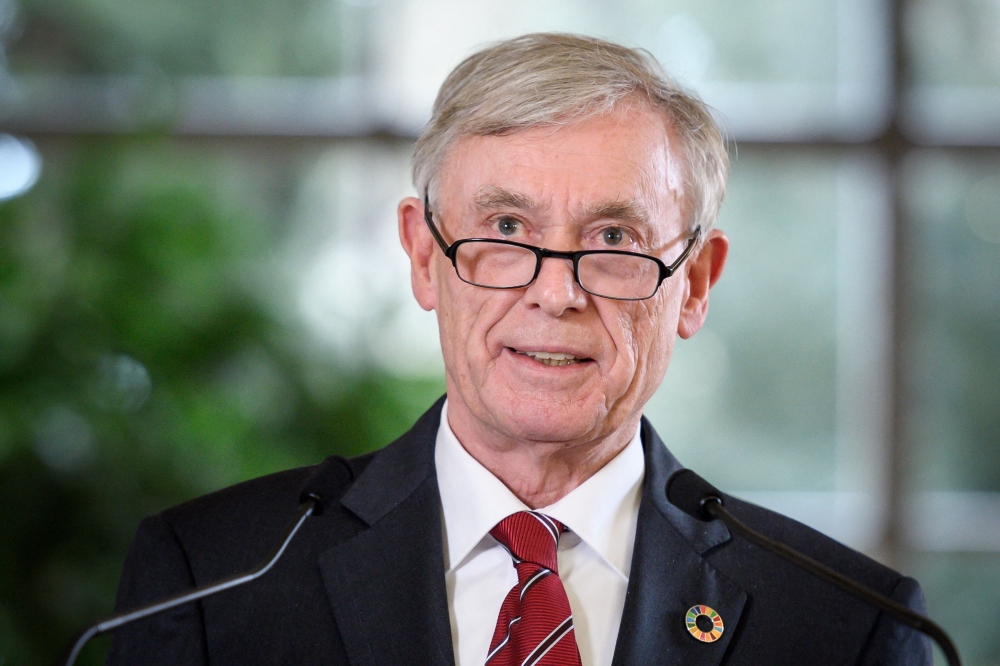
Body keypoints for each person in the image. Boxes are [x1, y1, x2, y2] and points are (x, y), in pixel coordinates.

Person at [107, 33, 931, 665]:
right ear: (424, 257)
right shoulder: (210, 579)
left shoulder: (848, 626)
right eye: (506, 229)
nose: (556, 291)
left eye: (614, 238)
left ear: (696, 283)